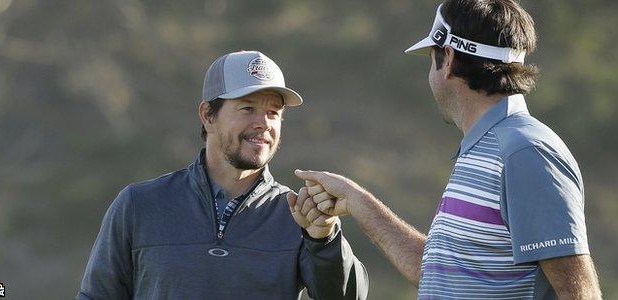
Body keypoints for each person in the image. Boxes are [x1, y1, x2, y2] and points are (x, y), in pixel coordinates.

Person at [292, 0, 602, 299]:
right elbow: (439, 273)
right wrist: (355, 200)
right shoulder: (488, 146)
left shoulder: (524, 152)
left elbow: (579, 293)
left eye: (432, 57)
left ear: (449, 59)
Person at [77, 50, 368, 300]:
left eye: (273, 113)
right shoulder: (139, 205)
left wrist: (323, 239)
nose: (263, 124)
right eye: (247, 108)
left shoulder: (299, 216)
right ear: (208, 115)